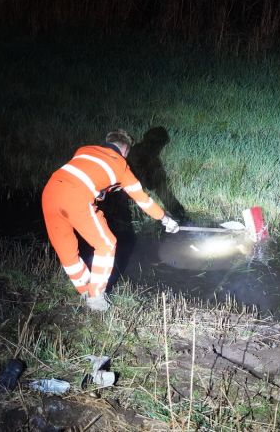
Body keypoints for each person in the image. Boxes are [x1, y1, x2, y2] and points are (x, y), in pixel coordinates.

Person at [41, 129, 180, 311]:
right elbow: (143, 201)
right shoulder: (121, 167)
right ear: (125, 151)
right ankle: (96, 298)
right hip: (76, 197)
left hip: (50, 193)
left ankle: (84, 289)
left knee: (66, 248)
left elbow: (93, 175)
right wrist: (165, 219)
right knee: (106, 244)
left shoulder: (84, 150)